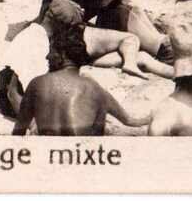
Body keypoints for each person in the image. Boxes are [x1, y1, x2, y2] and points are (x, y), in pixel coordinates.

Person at [13, 22, 151, 135]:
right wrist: (152, 116)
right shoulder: (96, 90)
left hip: (49, 159)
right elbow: (130, 121)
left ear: (61, 54)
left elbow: (18, 133)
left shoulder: (37, 84)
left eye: (51, 51)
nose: (47, 57)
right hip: (80, 157)